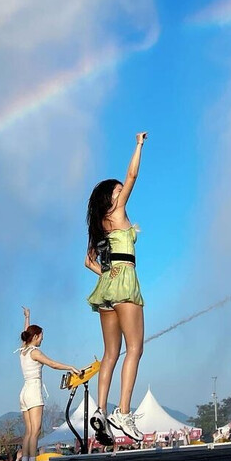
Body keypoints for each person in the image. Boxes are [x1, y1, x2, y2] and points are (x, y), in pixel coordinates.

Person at [85, 132, 148, 443]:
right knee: (135, 349)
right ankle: (122, 411)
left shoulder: (99, 224)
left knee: (111, 353)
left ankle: (100, 410)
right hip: (125, 280)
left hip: (107, 284)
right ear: (112, 197)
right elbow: (133, 173)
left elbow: (88, 262)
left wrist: (107, 274)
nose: (123, 192)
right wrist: (138, 144)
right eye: (119, 191)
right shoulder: (118, 211)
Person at [18, 307, 79, 461]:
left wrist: (27, 318)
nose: (42, 340)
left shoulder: (23, 349)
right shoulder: (35, 352)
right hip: (33, 390)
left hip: (24, 392)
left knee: (28, 431)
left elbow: (27, 333)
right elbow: (52, 364)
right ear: (36, 337)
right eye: (41, 337)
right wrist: (70, 367)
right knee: (35, 431)